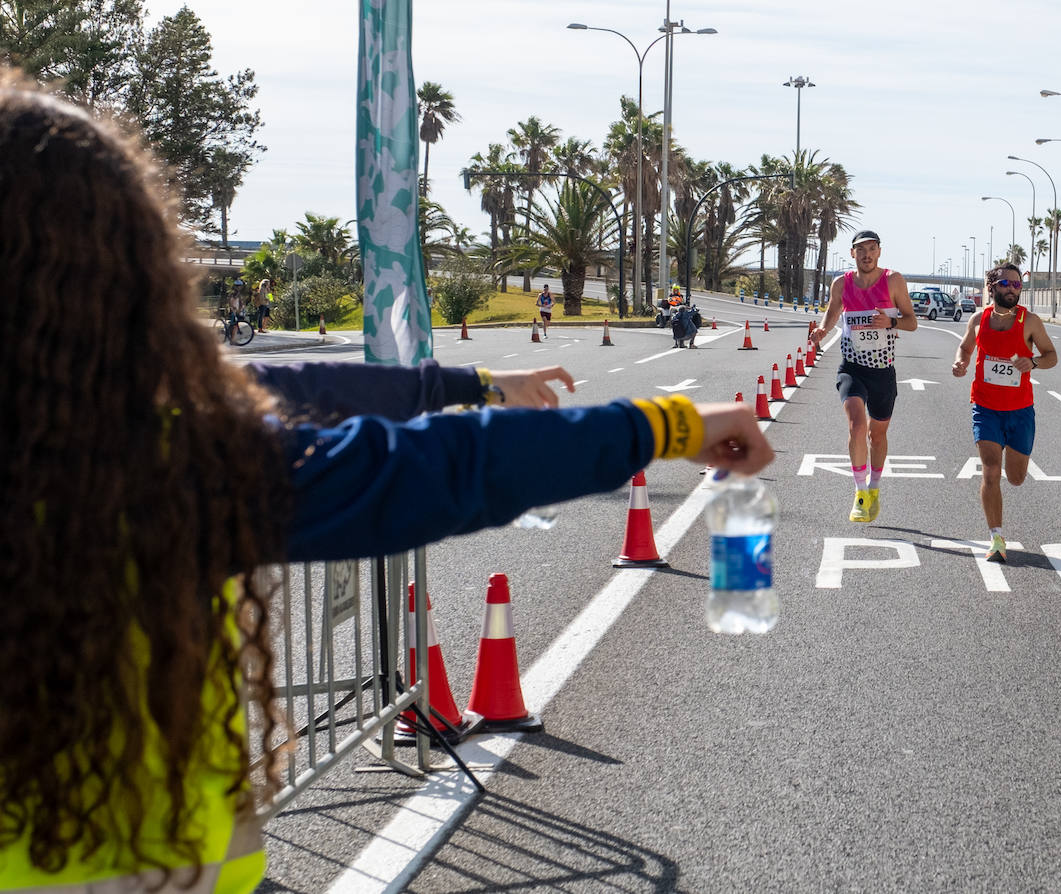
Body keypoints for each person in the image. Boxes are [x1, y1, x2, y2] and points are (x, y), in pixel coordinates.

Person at [0, 71, 774, 892]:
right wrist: (665, 425)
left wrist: (466, 383)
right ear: (125, 281)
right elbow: (427, 470)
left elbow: (298, 390)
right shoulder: (163, 464)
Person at [808, 230, 918, 523]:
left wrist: (890, 321)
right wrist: (822, 330)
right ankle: (858, 494)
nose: (866, 254)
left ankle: (874, 489)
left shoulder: (893, 281)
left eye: (872, 249)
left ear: (879, 252)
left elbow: (912, 322)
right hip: (852, 367)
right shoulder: (841, 283)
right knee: (857, 426)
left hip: (883, 371)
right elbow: (832, 313)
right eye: (861, 250)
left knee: (877, 435)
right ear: (852, 253)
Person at [950, 264, 1058, 562]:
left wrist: (1033, 362)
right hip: (985, 408)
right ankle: (996, 537)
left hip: (1020, 410)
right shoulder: (978, 319)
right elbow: (964, 348)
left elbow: (1052, 356)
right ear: (992, 286)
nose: (1012, 288)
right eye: (1006, 283)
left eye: (1017, 284)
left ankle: (1016, 459)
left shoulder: (1030, 321)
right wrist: (960, 363)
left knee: (1016, 477)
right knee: (991, 470)